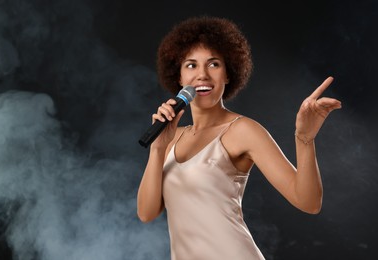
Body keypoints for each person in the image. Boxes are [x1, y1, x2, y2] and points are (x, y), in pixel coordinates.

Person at [137, 16, 341, 260]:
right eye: (191, 65)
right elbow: (146, 213)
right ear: (179, 77)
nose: (202, 74)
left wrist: (305, 138)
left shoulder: (243, 130)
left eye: (213, 64)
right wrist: (158, 149)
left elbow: (309, 202)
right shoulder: (171, 136)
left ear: (228, 74)